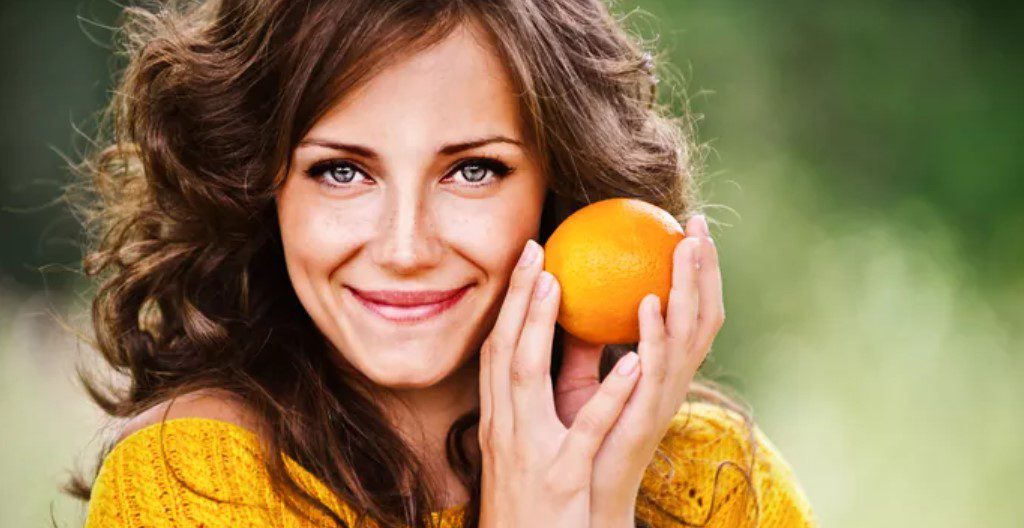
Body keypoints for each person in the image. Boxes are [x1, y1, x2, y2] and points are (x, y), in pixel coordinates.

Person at [70, 0, 816, 526]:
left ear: (559, 183)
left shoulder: (719, 489)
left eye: (472, 171)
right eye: (341, 171)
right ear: (260, 185)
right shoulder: (189, 485)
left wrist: (607, 501)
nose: (405, 249)